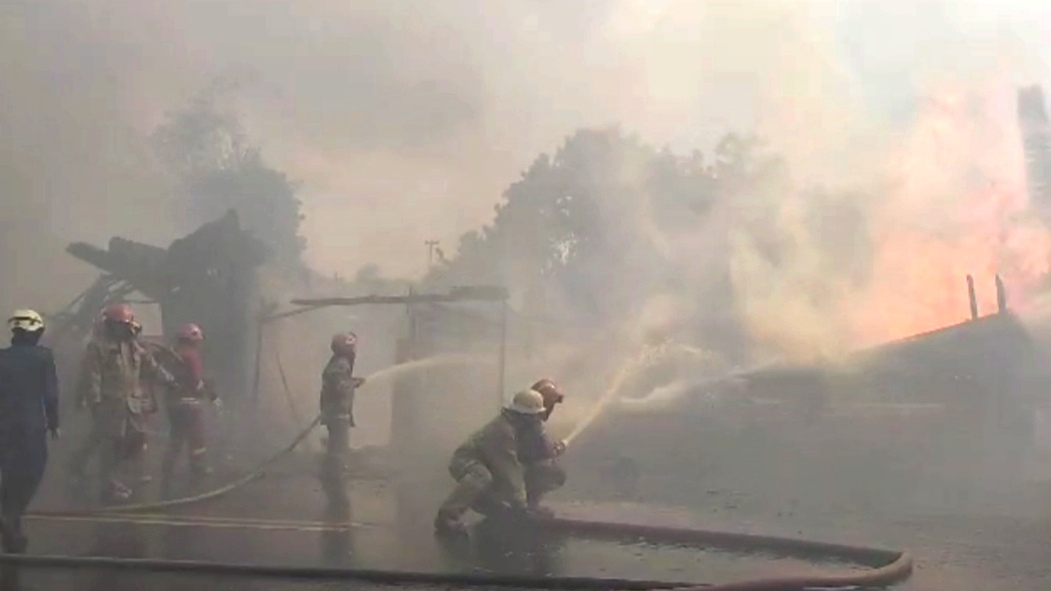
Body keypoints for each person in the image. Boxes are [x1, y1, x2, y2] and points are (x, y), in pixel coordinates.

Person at [76, 302, 173, 502]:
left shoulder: (133, 346)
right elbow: (92, 376)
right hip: (110, 405)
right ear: (113, 325)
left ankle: (100, 471)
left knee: (137, 438)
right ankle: (108, 482)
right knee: (111, 444)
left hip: (132, 404)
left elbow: (150, 367)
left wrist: (170, 380)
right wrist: (95, 403)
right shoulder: (97, 347)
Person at [434, 389, 548, 537]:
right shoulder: (502, 431)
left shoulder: (521, 428)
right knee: (481, 476)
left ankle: (493, 506)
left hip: (491, 463)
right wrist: (522, 505)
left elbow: (538, 454)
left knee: (503, 506)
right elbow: (509, 470)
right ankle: (447, 516)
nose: (537, 420)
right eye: (534, 416)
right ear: (523, 416)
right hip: (468, 461)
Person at [0, 309, 60, 553]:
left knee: (6, 469)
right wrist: (54, 423)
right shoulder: (44, 357)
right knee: (30, 473)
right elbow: (51, 394)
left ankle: (10, 520)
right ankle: (10, 516)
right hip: (30, 425)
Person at [159, 323, 220, 487]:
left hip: (172, 403)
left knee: (176, 436)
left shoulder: (172, 354)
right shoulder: (191, 355)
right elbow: (196, 381)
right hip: (189, 403)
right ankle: (198, 469)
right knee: (196, 438)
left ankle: (167, 468)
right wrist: (210, 394)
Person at [320, 332, 366, 480]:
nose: (354, 350)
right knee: (339, 447)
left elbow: (340, 381)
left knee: (336, 445)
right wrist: (353, 383)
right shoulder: (341, 363)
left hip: (336, 412)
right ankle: (334, 476)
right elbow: (340, 386)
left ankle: (332, 471)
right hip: (337, 413)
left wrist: (352, 381)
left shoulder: (337, 363)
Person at [520, 379, 569, 514]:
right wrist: (558, 448)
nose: (552, 408)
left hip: (512, 468)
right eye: (551, 404)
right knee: (551, 472)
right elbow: (544, 451)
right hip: (515, 472)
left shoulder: (523, 420)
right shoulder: (533, 426)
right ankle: (528, 506)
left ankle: (525, 503)